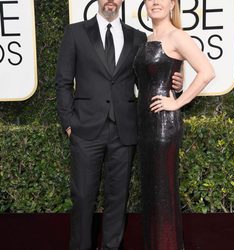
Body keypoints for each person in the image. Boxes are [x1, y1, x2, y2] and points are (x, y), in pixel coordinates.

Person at [55, 0, 183, 249]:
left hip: (124, 129)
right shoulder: (76, 33)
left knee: (117, 198)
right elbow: (62, 82)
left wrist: (174, 81)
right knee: (82, 198)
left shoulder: (137, 37)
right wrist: (68, 123)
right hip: (85, 128)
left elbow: (148, 73)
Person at [133, 0, 215, 249]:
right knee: (151, 197)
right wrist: (177, 82)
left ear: (172, 5)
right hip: (145, 126)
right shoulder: (146, 38)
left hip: (162, 127)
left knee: (162, 197)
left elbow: (207, 72)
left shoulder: (177, 36)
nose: (155, 2)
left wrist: (177, 103)